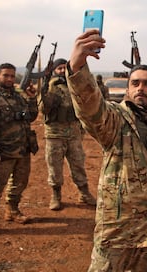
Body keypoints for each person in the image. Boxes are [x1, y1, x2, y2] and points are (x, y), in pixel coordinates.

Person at [66, 30, 147, 272]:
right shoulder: (116, 121)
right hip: (117, 234)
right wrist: (77, 67)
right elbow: (90, 108)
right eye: (135, 83)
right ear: (128, 90)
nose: (140, 88)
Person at [0, 63, 39, 240]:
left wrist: (32, 99)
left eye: (12, 76)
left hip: (22, 150)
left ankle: (12, 210)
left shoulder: (18, 97)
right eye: (6, 76)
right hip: (3, 153)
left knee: (19, 184)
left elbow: (31, 116)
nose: (10, 79)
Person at [40, 58, 96, 210]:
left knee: (78, 164)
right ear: (54, 71)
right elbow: (43, 110)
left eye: (64, 68)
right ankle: (56, 195)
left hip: (73, 133)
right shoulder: (49, 87)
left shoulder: (73, 86)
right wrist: (47, 89)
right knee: (55, 167)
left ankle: (84, 193)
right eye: (58, 69)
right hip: (55, 135)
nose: (61, 71)